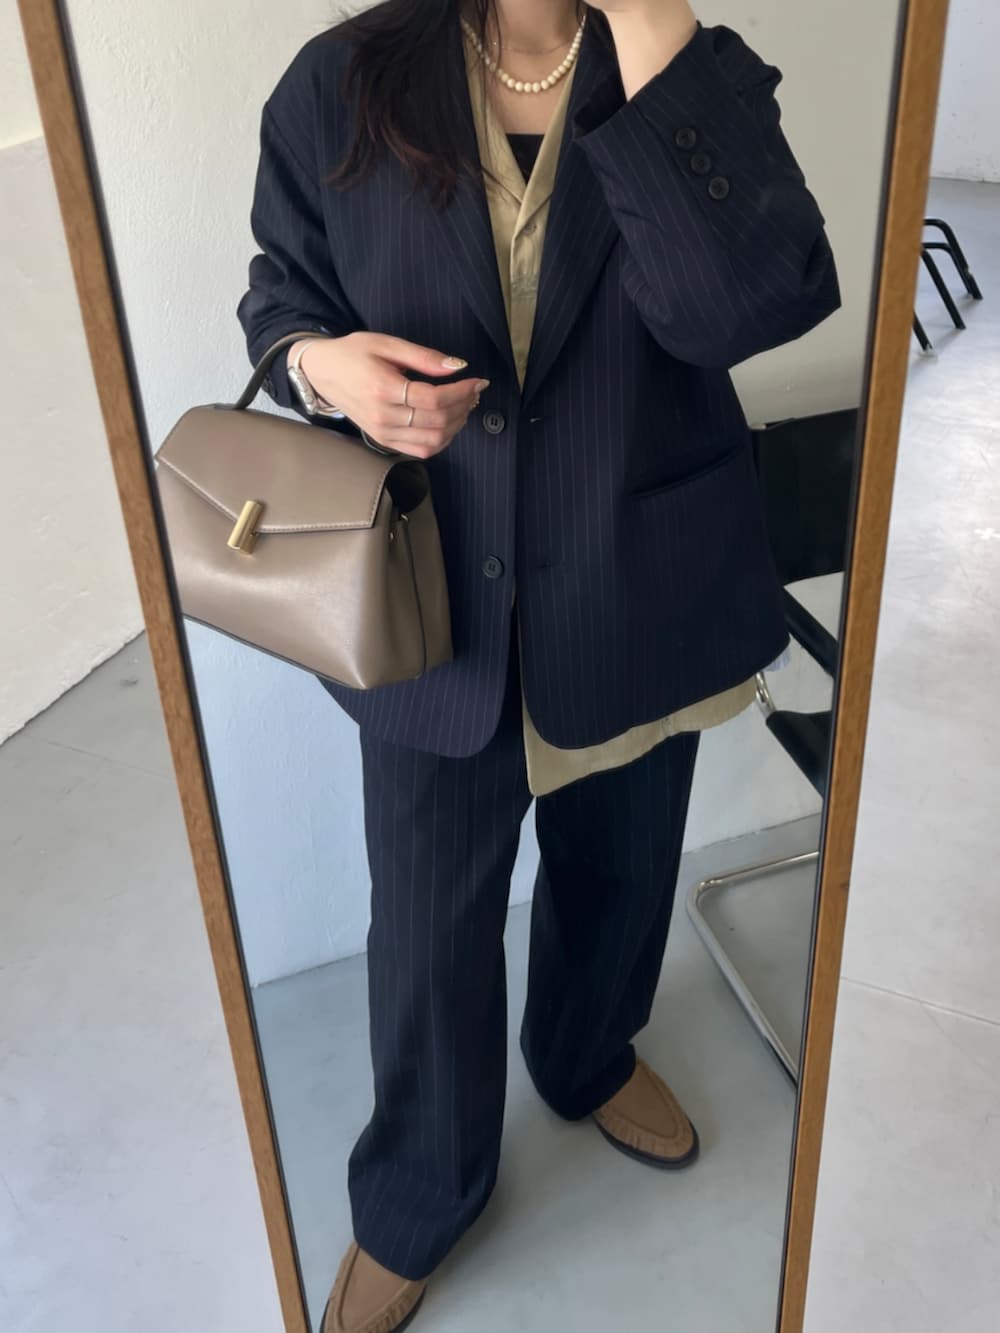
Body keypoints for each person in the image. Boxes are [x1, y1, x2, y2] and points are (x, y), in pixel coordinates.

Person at [237, 1, 840, 1328]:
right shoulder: (341, 80)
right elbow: (279, 296)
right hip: (428, 601)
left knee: (623, 869)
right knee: (427, 926)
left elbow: (758, 303)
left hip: (639, 582)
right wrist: (328, 373)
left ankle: (585, 1054)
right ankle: (419, 1194)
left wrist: (652, 26)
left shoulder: (688, 67)